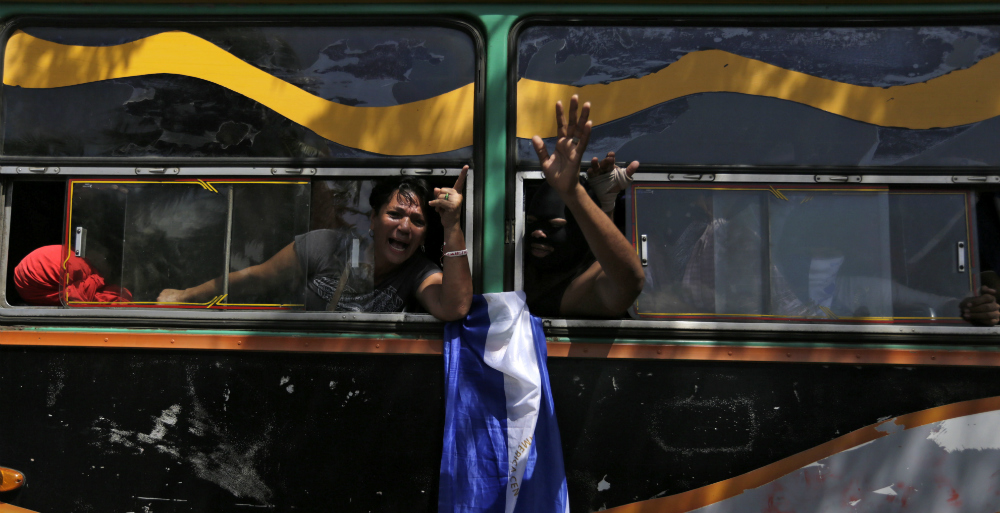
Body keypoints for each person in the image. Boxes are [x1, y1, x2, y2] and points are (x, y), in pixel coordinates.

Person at [157, 168, 472, 321]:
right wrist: (185, 296)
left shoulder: (420, 273)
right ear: (373, 220)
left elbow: (454, 307)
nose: (405, 227)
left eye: (417, 222)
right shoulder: (326, 245)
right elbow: (255, 277)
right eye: (395, 214)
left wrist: (451, 224)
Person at [525, 95, 645, 317]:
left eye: (555, 225)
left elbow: (630, 279)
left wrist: (574, 194)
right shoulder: (516, 270)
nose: (539, 233)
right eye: (532, 223)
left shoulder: (588, 284)